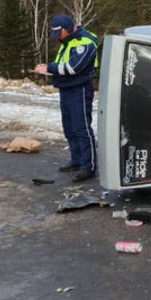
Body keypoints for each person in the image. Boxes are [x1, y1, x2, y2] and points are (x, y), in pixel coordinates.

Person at [34, 14, 99, 182]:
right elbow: (63, 65)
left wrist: (50, 67)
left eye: (59, 34)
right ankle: (76, 160)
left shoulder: (85, 42)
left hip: (80, 90)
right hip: (66, 89)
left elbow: (74, 67)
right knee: (69, 128)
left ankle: (88, 166)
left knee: (81, 128)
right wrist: (48, 69)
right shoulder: (68, 41)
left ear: (67, 29)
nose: (57, 38)